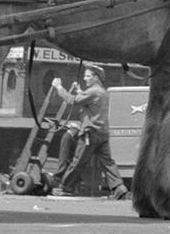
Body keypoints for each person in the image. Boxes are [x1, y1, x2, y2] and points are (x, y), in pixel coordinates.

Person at [46, 64, 128, 200]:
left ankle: (66, 188)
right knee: (108, 163)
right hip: (103, 133)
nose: (85, 79)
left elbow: (72, 100)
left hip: (90, 134)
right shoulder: (102, 92)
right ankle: (119, 188)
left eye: (88, 76)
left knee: (78, 162)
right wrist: (79, 90)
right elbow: (88, 102)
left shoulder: (93, 91)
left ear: (96, 77)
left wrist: (59, 87)